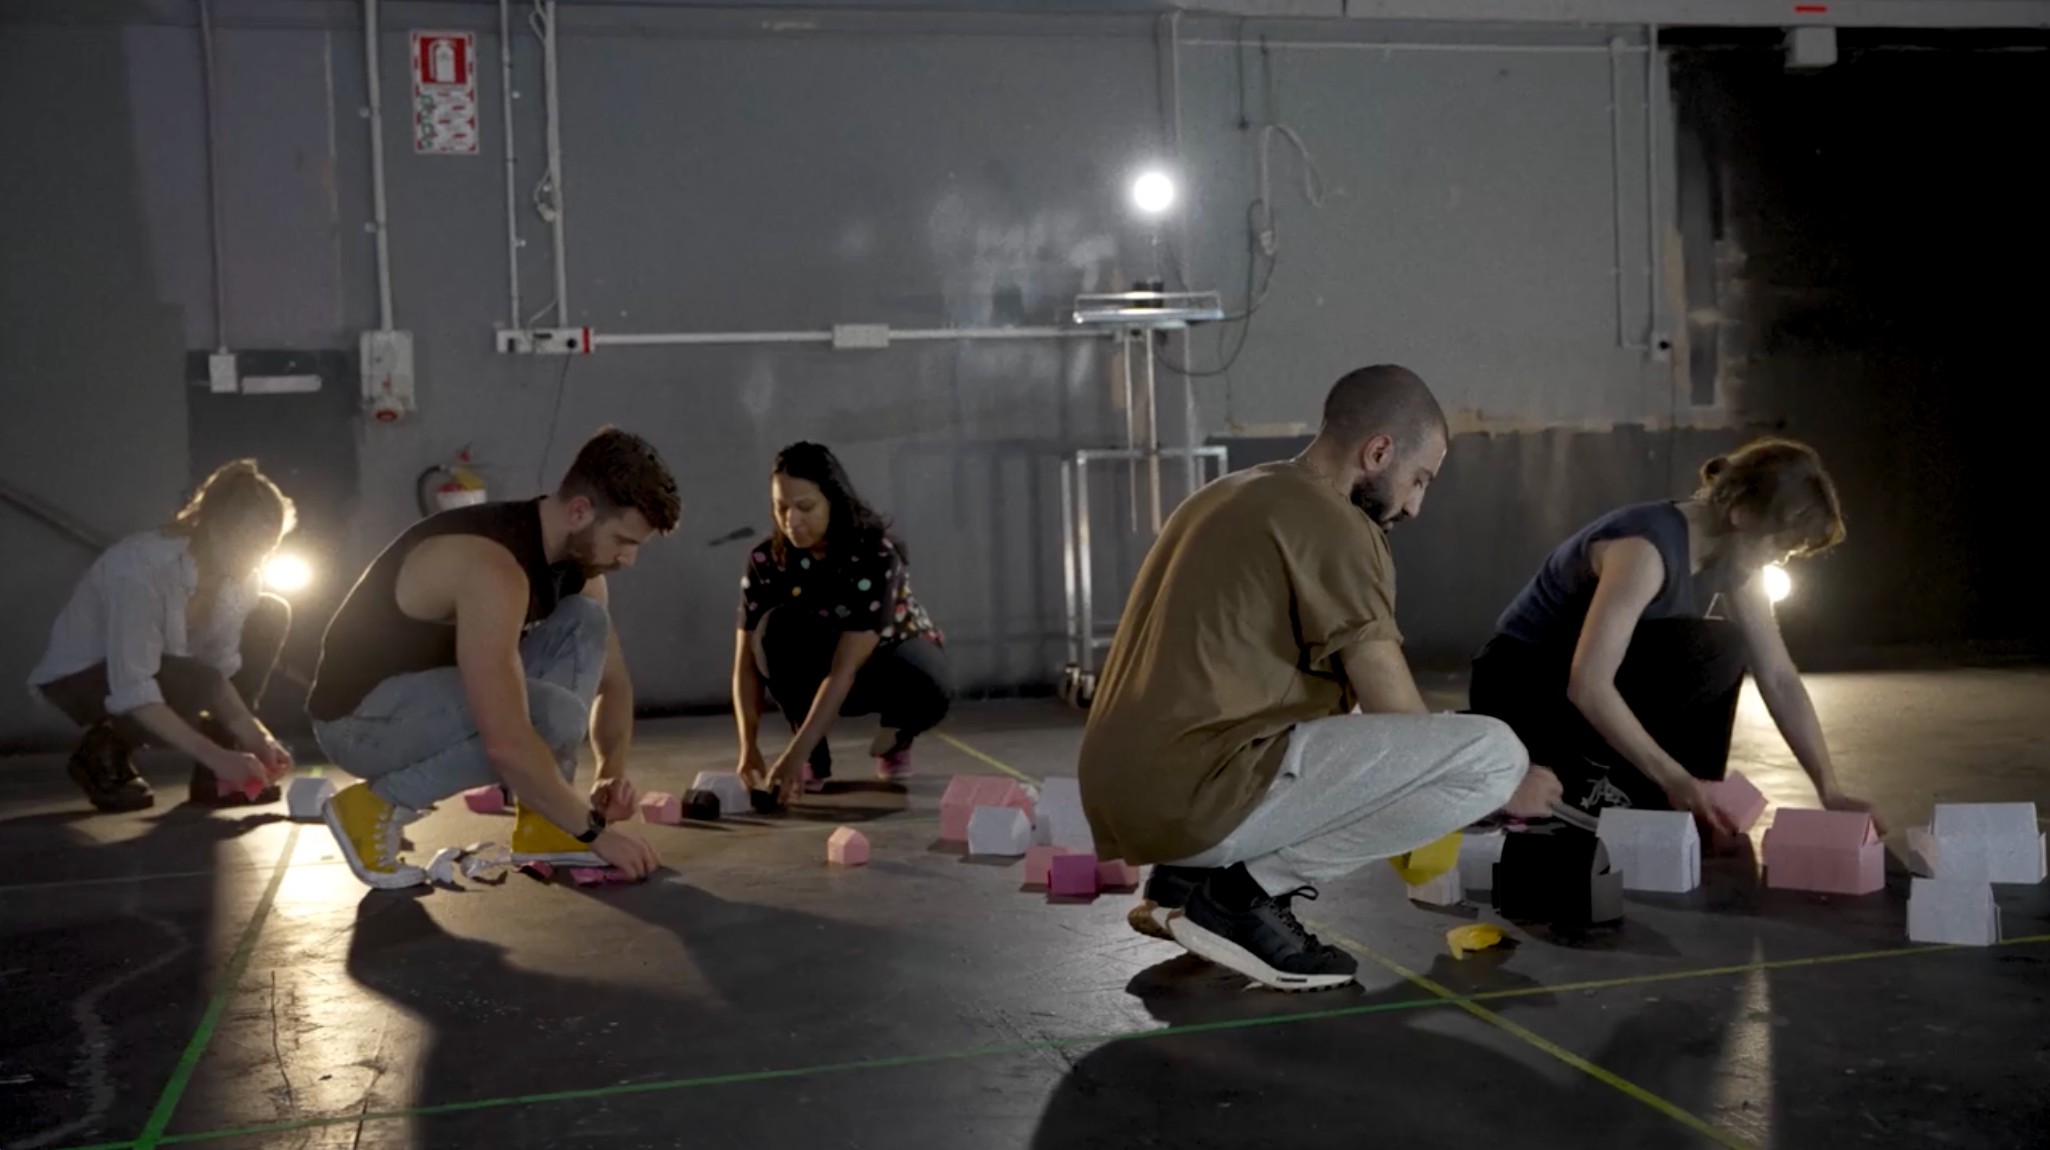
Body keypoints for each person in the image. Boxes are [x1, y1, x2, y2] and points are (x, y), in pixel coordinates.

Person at [1078, 366, 1560, 992]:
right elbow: (1399, 717)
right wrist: (1505, 791)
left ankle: (1185, 882)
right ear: (1378, 451)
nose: (1416, 505)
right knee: (1492, 753)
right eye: (1419, 479)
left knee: (1328, 718)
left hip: (1129, 800)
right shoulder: (1335, 522)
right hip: (1196, 799)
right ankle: (1242, 899)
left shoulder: (1227, 494)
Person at [307, 427, 679, 889]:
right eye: (624, 540)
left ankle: (541, 822)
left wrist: (610, 778)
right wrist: (596, 833)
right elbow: (506, 738)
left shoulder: (578, 568)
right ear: (581, 511)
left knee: (586, 619)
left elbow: (616, 683)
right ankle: (373, 807)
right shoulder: (493, 566)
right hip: (359, 723)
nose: (629, 560)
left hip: (425, 702)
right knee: (552, 715)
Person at [1467, 436, 1876, 839]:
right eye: (1781, 543)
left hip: (1575, 680)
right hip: (1521, 685)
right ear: (1742, 515)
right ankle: (1594, 784)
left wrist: (1829, 789)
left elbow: (1780, 678)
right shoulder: (1645, 550)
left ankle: (1690, 801)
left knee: (1724, 647)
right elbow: (1588, 684)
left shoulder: (1734, 560)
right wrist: (1673, 776)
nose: (1782, 557)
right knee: (1709, 648)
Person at [30, 459, 297, 812]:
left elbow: (220, 675)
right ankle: (103, 750)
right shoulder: (142, 569)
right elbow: (134, 685)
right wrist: (218, 756)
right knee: (193, 679)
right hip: (81, 678)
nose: (257, 560)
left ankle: (219, 772)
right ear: (215, 529)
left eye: (268, 547)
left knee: (269, 613)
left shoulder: (244, 577)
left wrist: (257, 737)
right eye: (249, 546)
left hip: (171, 673)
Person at [733, 442, 951, 800]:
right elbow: (744, 664)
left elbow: (844, 669)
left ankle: (896, 734)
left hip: (886, 663)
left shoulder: (875, 555)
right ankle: (813, 755)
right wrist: (748, 746)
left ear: (833, 500)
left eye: (805, 507)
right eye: (781, 507)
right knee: (772, 632)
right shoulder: (765, 561)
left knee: (930, 680)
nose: (791, 520)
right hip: (820, 667)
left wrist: (792, 755)